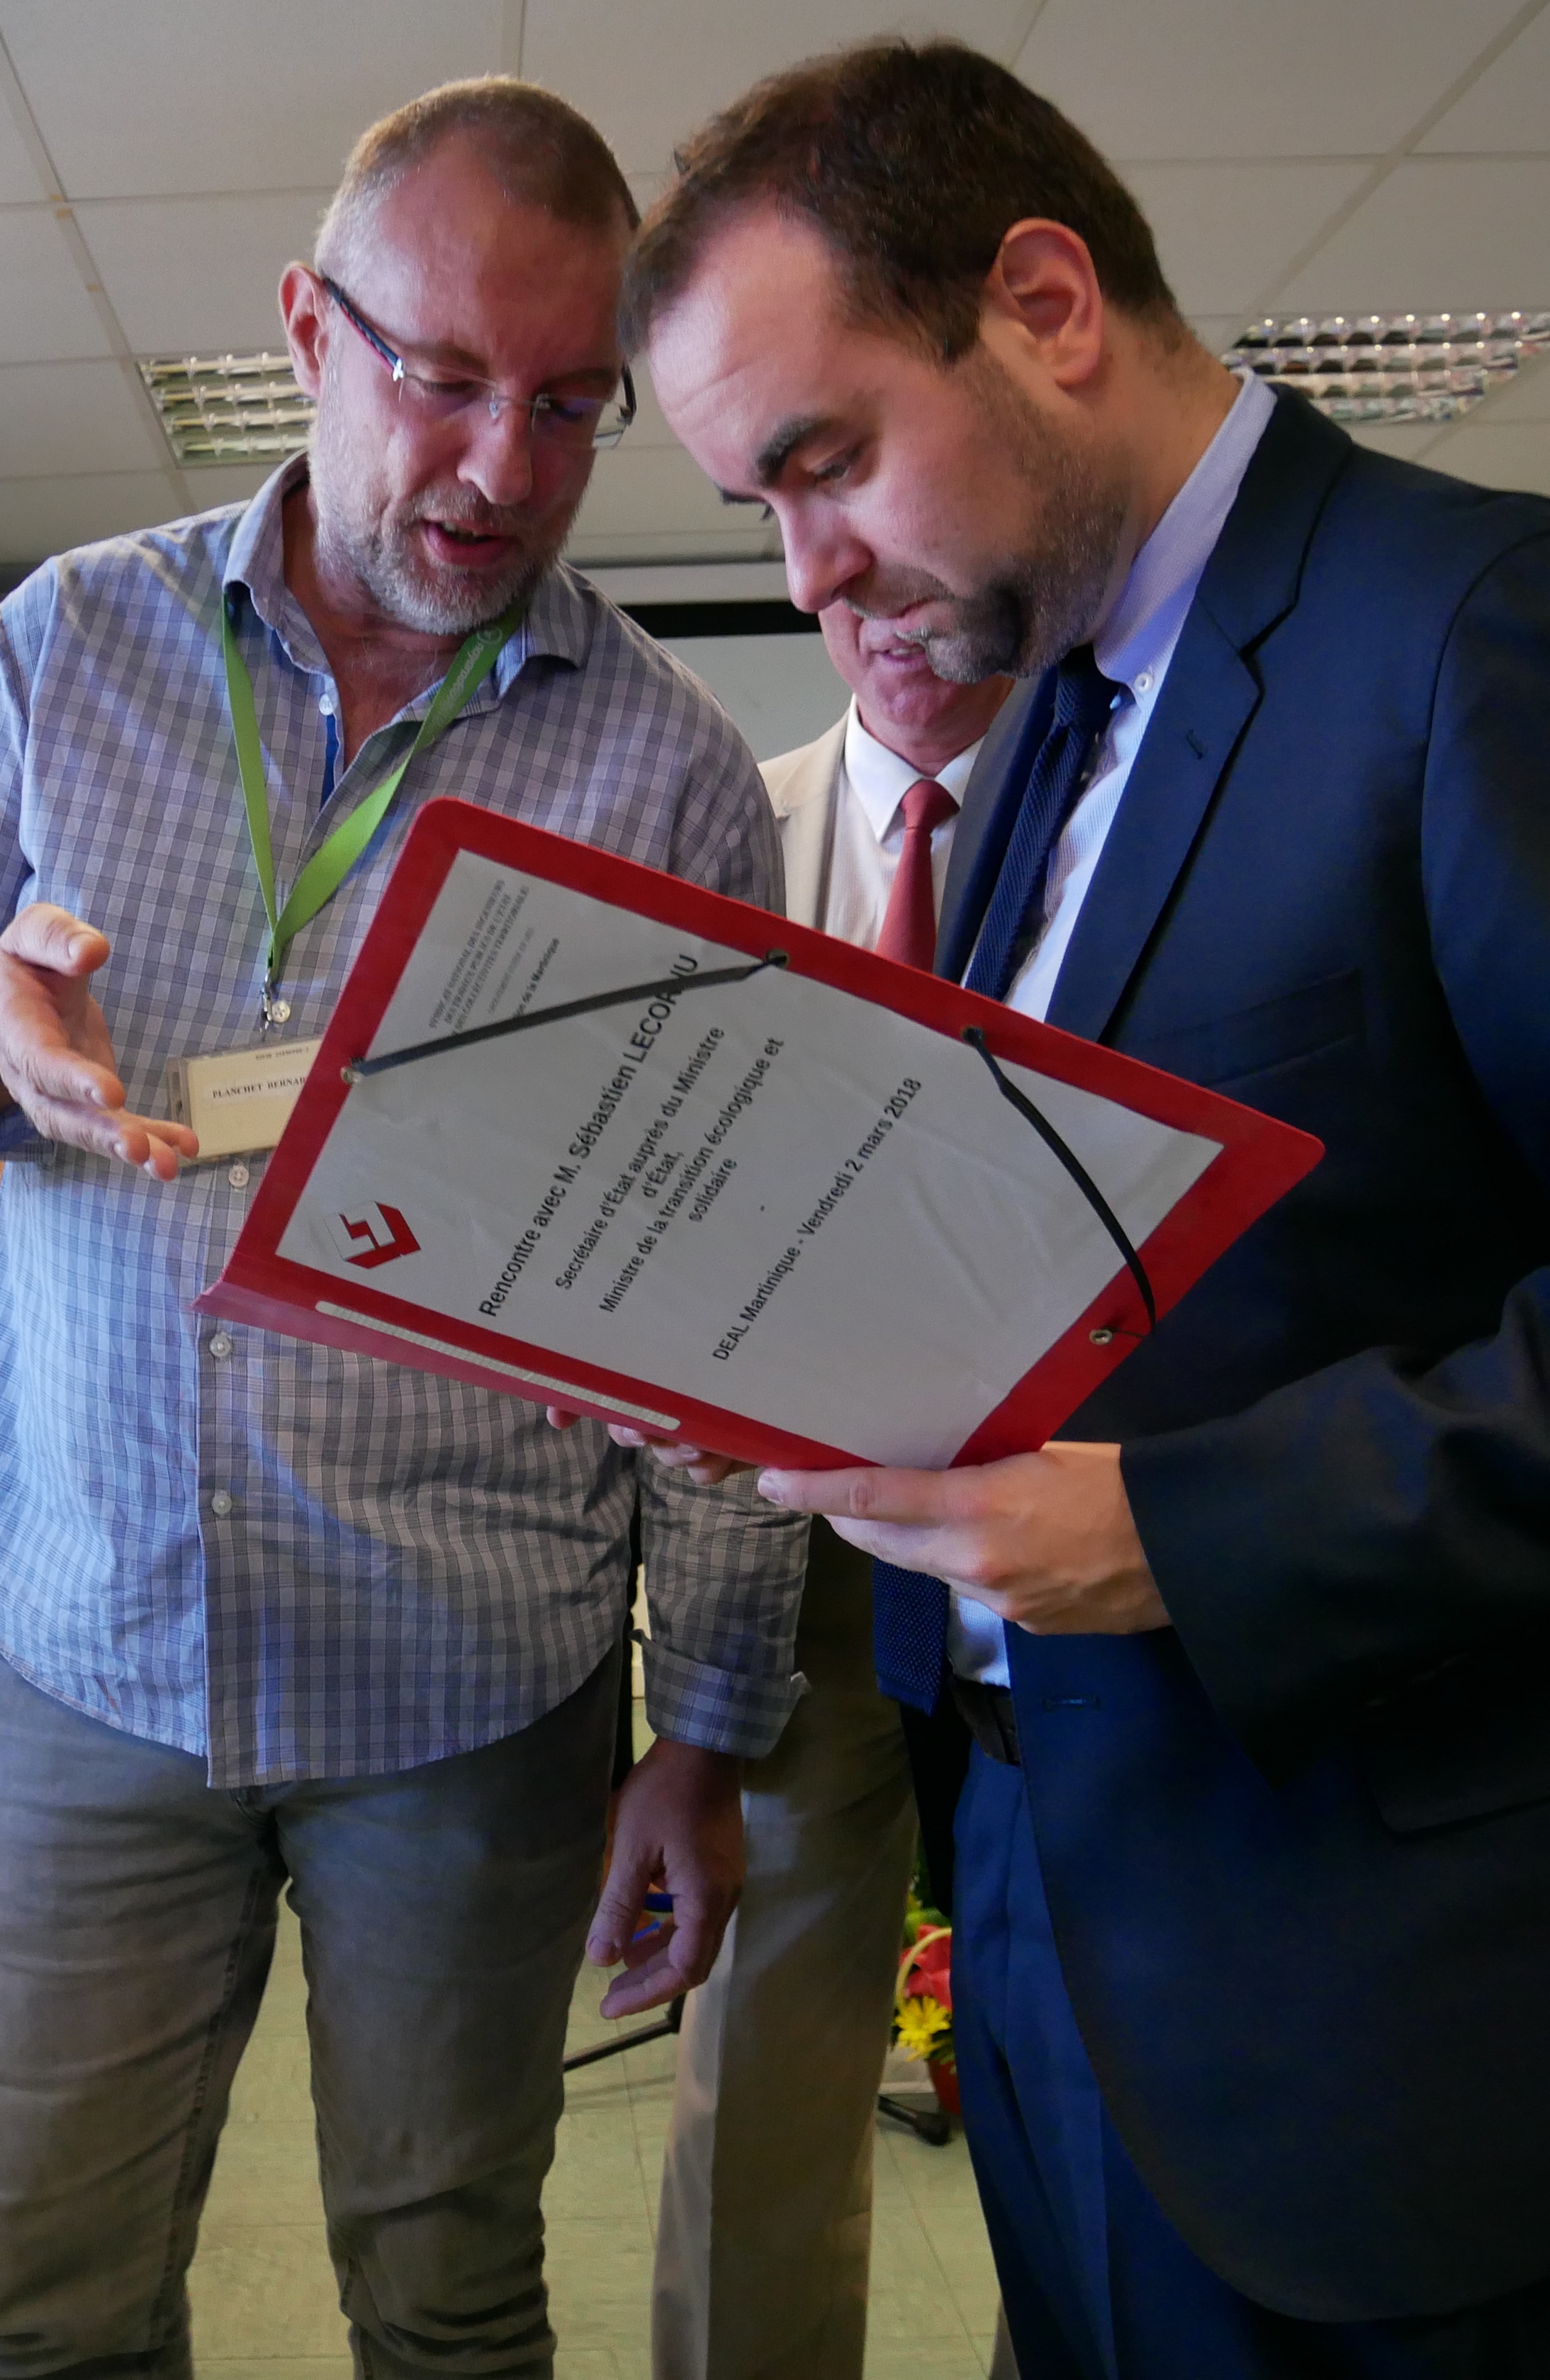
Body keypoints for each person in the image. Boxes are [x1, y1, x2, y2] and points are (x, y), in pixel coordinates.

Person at [0, 81, 807, 2380]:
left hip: (468, 1683)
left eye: (572, 405)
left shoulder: (665, 776)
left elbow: (707, 1313)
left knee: (451, 2299)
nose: (503, 467)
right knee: (56, 2309)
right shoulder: (65, 647)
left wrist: (712, 1726)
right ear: (308, 333)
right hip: (77, 1642)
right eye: (444, 377)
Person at [611, 36, 1550, 2379]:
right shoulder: (1056, 712)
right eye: (756, 506)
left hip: (1371, 2001)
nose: (807, 573)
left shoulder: (1464, 635)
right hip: (1034, 1911)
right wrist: (782, 1359)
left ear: (1043, 303)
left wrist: (1188, 1532)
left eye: (825, 462)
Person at [652, 610, 1009, 2380]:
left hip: (1077, 1540)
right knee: (767, 2072)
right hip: (796, 1571)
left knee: (1097, 2076)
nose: (877, 591)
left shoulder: (1143, 818)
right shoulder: (722, 845)